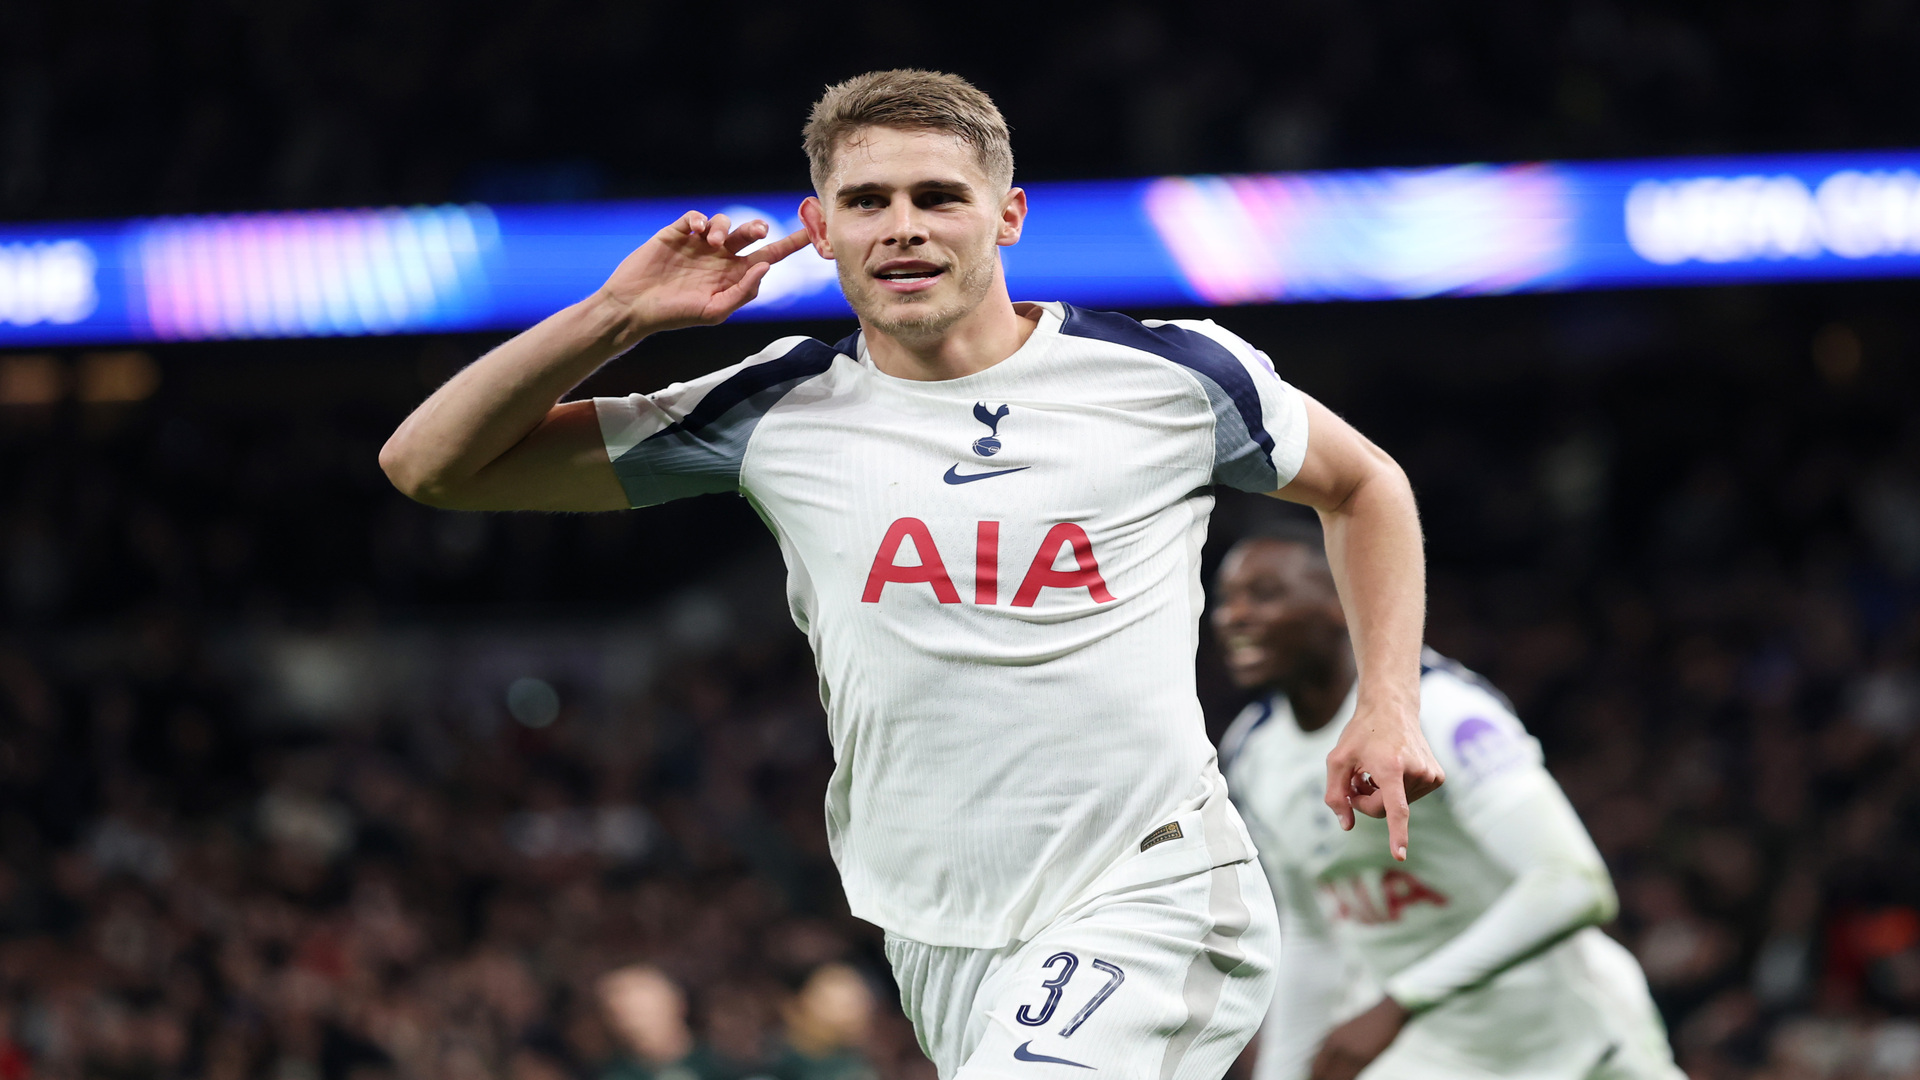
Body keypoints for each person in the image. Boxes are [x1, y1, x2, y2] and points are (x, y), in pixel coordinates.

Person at [379, 69, 1442, 1078]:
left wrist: (1388, 704)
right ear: (820, 226)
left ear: (1008, 214)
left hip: (1153, 886)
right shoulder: (771, 410)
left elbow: (1366, 486)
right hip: (934, 928)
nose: (904, 227)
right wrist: (615, 318)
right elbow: (429, 467)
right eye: (868, 200)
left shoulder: (1173, 376)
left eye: (940, 196)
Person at [1211, 523, 1684, 1080]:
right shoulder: (1250, 752)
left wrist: (1399, 1002)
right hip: (1431, 1055)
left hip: (1578, 1043)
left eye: (1265, 594)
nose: (1232, 616)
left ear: (1344, 600)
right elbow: (1313, 932)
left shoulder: (1444, 710)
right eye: (1225, 599)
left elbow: (1574, 885)